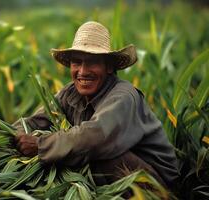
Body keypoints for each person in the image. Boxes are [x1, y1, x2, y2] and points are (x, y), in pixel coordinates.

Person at [15, 21, 178, 188]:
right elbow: (32, 121)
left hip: (157, 183)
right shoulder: (69, 93)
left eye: (92, 62)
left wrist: (40, 145)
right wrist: (17, 136)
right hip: (118, 174)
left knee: (99, 156)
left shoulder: (124, 96)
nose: (83, 71)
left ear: (108, 67)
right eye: (76, 62)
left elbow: (95, 137)